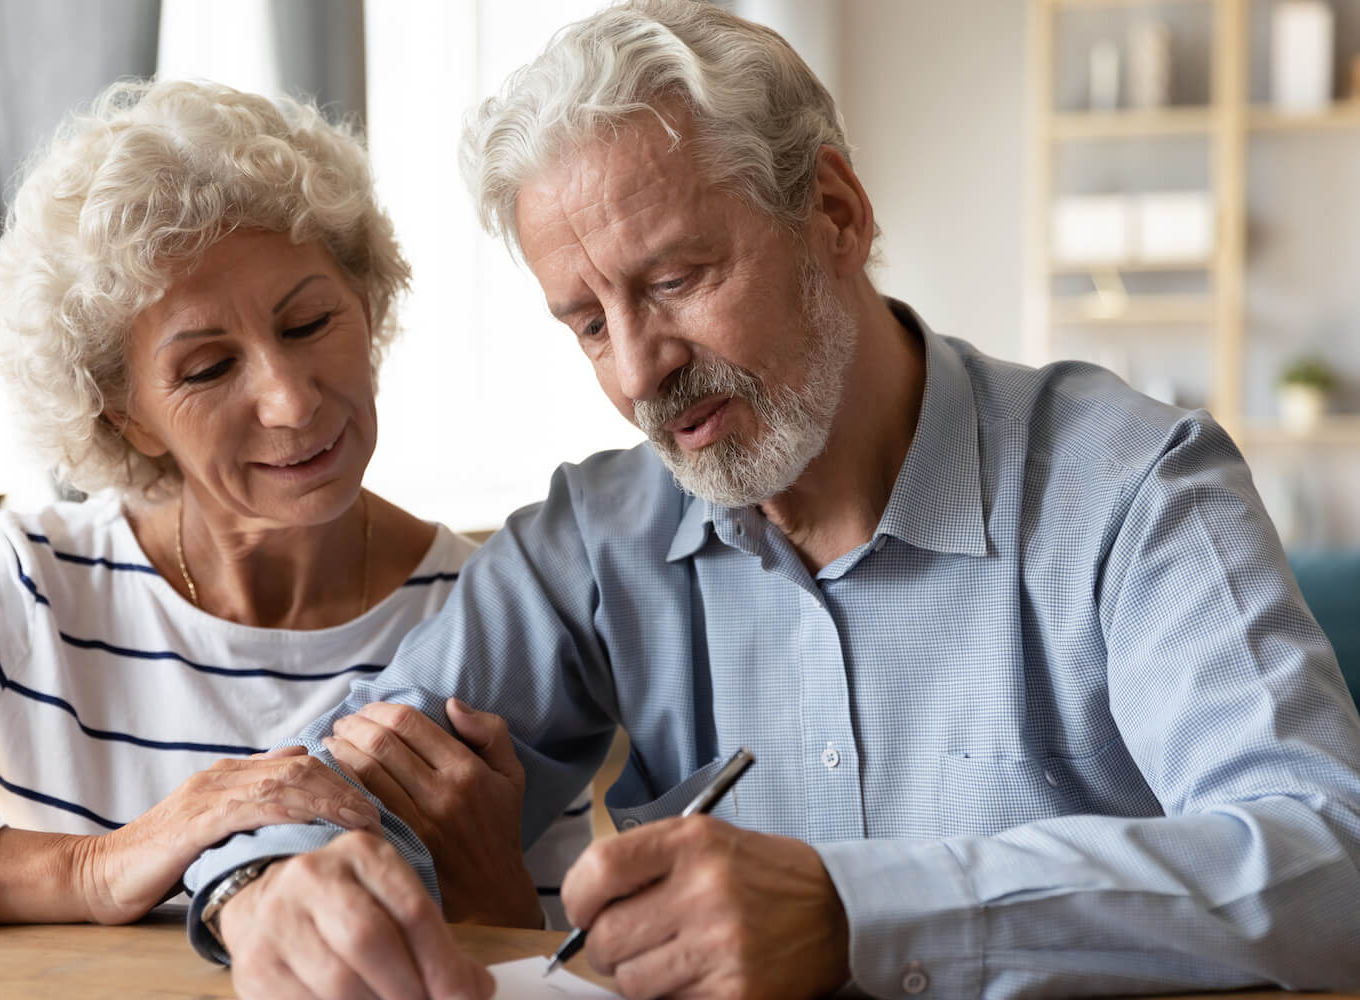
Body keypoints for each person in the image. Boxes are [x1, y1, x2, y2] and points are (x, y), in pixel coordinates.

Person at [186, 2, 1360, 997]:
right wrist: (264, 886)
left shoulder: (1133, 487)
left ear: (836, 217)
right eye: (589, 322)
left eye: (678, 280)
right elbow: (317, 775)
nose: (640, 368)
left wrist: (861, 912)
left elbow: (1331, 863)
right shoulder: (601, 537)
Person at [0, 79, 587, 944]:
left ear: (368, 299)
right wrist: (99, 866)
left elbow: (558, 968)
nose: (289, 401)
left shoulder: (497, 617)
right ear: (124, 414)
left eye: (311, 322)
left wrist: (486, 891)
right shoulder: (26, 591)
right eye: (206, 369)